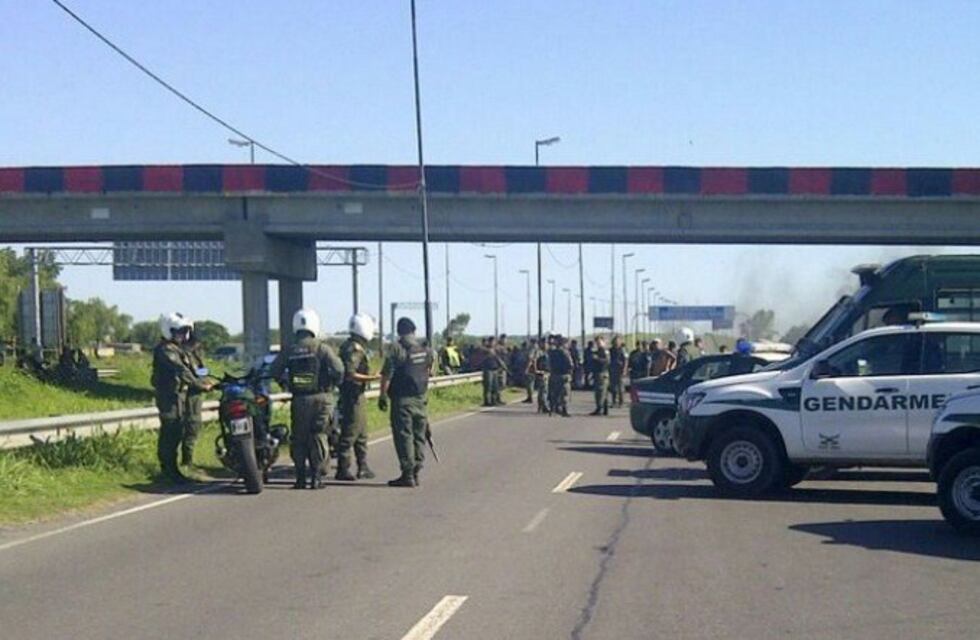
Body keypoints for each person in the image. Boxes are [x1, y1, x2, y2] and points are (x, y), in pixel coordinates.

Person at [269, 308, 344, 490]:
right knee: (319, 434)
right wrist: (334, 384)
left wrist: (285, 383)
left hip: (299, 400)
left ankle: (300, 478)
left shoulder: (290, 350)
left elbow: (274, 371)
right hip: (322, 397)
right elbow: (339, 369)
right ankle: (316, 477)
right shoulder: (322, 348)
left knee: (299, 438)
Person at [151, 312, 213, 484]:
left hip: (177, 396)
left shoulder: (179, 349)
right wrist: (200, 385)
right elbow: (181, 370)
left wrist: (204, 380)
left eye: (185, 331)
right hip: (168, 396)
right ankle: (168, 470)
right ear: (168, 330)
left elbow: (192, 369)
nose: (183, 335)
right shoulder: (166, 349)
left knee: (177, 430)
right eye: (179, 331)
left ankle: (173, 470)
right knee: (170, 431)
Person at [378, 317, 434, 487]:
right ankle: (416, 470)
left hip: (402, 400)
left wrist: (382, 395)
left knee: (404, 437)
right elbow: (429, 371)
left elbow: (387, 374)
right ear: (414, 331)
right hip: (421, 398)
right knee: (419, 436)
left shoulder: (397, 349)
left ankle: (407, 473)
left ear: (399, 331)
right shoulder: (425, 349)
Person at [336, 313, 381, 482]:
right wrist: (372, 378)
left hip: (356, 395)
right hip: (352, 395)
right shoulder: (353, 349)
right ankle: (343, 468)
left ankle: (363, 466)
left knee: (361, 433)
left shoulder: (353, 346)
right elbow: (350, 373)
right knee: (350, 431)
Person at [181, 327, 207, 469]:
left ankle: (188, 460)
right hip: (189, 395)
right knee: (192, 425)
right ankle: (187, 461)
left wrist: (206, 379)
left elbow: (202, 372)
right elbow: (190, 377)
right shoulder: (185, 355)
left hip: (196, 394)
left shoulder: (195, 355)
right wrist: (203, 385)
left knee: (193, 426)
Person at [547, 335, 574, 417]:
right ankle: (564, 410)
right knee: (564, 393)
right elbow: (570, 364)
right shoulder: (565, 352)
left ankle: (553, 409)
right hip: (564, 375)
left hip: (554, 374)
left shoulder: (552, 352)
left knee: (554, 393)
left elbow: (549, 364)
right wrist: (570, 372)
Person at [527, 337, 550, 413]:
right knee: (543, 390)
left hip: (545, 372)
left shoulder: (545, 352)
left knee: (542, 390)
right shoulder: (539, 352)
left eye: (546, 343)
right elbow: (534, 360)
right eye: (544, 343)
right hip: (542, 372)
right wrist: (536, 370)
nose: (546, 345)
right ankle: (544, 406)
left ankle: (541, 406)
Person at [590, 336, 610, 416]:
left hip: (602, 373)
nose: (598, 344)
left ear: (603, 342)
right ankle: (603, 408)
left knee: (601, 392)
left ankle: (600, 408)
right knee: (600, 392)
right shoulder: (597, 351)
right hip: (597, 373)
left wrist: (597, 358)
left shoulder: (604, 351)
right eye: (597, 342)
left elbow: (607, 361)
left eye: (599, 342)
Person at [608, 335, 628, 408]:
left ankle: (621, 402)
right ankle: (614, 402)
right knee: (613, 387)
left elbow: (625, 360)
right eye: (614, 341)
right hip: (612, 370)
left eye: (617, 341)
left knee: (620, 387)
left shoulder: (622, 350)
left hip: (620, 370)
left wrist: (624, 370)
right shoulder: (611, 350)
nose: (616, 343)